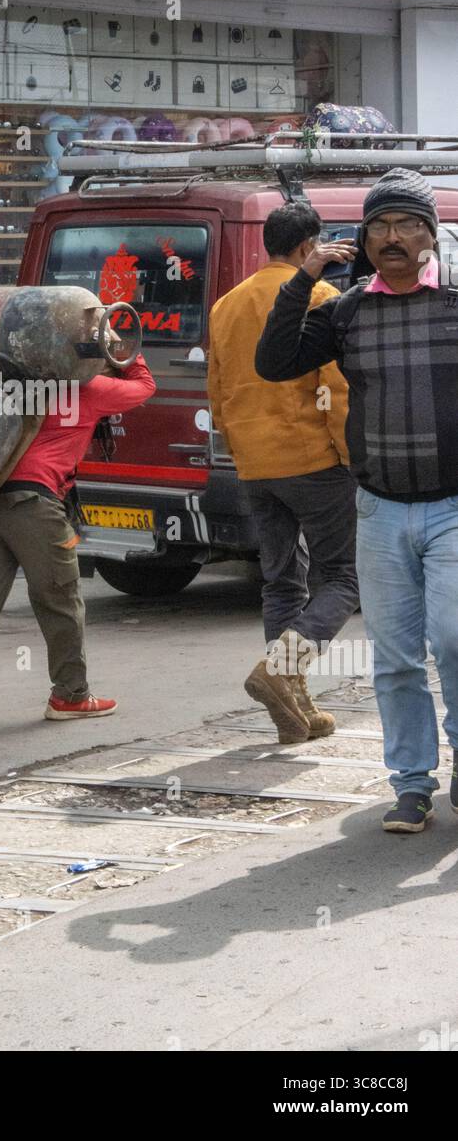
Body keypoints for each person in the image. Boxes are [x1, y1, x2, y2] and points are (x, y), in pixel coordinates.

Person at [256, 168, 458, 832]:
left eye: (407, 225)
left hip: (452, 505)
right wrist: (305, 279)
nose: (392, 237)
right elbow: (276, 361)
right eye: (380, 227)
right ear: (363, 239)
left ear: (431, 235)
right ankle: (411, 785)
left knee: (454, 641)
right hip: (375, 507)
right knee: (396, 657)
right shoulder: (344, 309)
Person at [0, 344, 156, 738]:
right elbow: (143, 387)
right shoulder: (88, 388)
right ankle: (70, 695)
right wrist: (126, 350)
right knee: (61, 601)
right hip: (35, 505)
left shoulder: (1, 386)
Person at [208, 202, 359, 744]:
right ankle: (283, 671)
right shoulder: (320, 296)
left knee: (280, 583)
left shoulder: (226, 305)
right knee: (344, 576)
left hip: (252, 462)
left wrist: (238, 447)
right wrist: (350, 458)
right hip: (312, 461)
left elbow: (218, 390)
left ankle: (292, 708)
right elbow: (336, 391)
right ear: (307, 250)